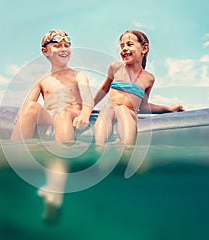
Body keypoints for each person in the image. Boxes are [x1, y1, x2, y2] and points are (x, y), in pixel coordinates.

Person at [10, 29, 94, 221]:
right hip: (49, 116)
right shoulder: (41, 79)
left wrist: (84, 114)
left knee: (63, 114)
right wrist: (21, 115)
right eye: (57, 45)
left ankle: (55, 190)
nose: (64, 49)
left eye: (67, 45)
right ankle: (14, 158)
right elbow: (28, 104)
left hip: (70, 113)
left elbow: (88, 99)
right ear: (45, 51)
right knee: (31, 107)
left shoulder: (78, 75)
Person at [94, 29, 184, 145]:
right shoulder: (115, 67)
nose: (124, 48)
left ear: (144, 48)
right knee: (108, 108)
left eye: (130, 44)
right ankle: (99, 147)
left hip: (130, 112)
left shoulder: (149, 78)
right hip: (111, 109)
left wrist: (167, 109)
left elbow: (143, 106)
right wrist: (87, 108)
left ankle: (126, 147)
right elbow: (103, 89)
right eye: (122, 46)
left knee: (123, 109)